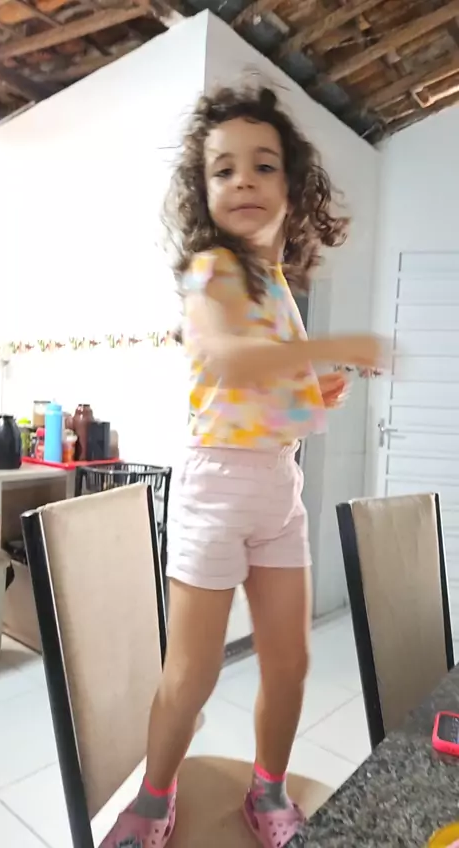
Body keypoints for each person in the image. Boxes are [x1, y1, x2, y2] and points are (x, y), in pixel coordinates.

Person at [101, 85, 386, 848]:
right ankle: (154, 799)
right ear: (204, 191)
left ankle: (268, 791)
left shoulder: (280, 284)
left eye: (263, 165)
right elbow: (228, 359)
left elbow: (271, 393)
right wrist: (334, 348)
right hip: (216, 486)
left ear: (291, 185)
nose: (243, 181)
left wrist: (316, 389)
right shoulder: (212, 270)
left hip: (277, 487)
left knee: (289, 663)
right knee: (192, 673)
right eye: (223, 169)